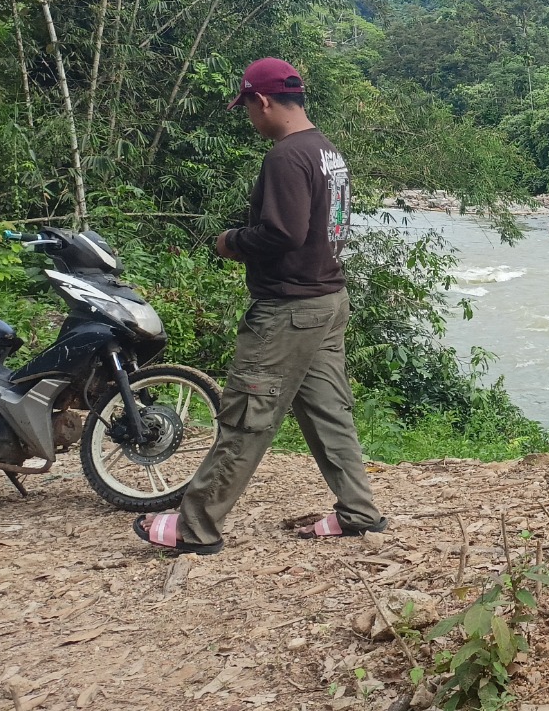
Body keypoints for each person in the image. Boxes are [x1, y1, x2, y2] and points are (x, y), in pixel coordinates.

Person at [135, 58, 386, 554]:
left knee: (248, 414)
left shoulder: (286, 157)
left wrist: (231, 241)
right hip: (328, 298)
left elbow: (283, 233)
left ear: (263, 100)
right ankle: (358, 510)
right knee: (327, 411)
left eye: (247, 106)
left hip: (289, 309)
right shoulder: (326, 151)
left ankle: (194, 527)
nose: (249, 116)